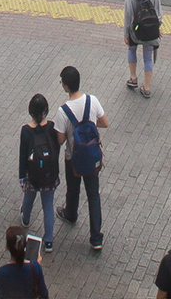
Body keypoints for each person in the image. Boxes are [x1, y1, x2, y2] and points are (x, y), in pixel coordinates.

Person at [55, 65, 107, 253]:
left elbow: (60, 140)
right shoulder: (92, 101)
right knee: (93, 194)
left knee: (73, 188)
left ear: (67, 86)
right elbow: (105, 122)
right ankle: (96, 238)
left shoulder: (63, 111)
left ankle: (71, 213)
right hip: (91, 155)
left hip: (73, 158)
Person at [18, 94, 62, 256]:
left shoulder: (26, 131)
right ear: (45, 110)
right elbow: (56, 149)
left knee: (29, 198)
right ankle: (48, 240)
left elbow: (23, 156)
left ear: (30, 112)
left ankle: (26, 218)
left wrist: (22, 176)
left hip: (32, 175)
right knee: (48, 206)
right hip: (49, 175)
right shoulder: (51, 127)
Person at [123, 0, 163, 96]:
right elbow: (159, 15)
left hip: (136, 32)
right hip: (150, 33)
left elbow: (128, 17)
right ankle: (146, 88)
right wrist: (157, 29)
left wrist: (126, 34)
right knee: (147, 58)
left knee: (132, 49)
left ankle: (133, 78)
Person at [0, 223, 49, 298]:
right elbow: (44, 295)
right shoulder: (35, 267)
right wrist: (36, 266)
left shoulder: (1, 273)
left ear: (7, 247)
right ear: (25, 246)